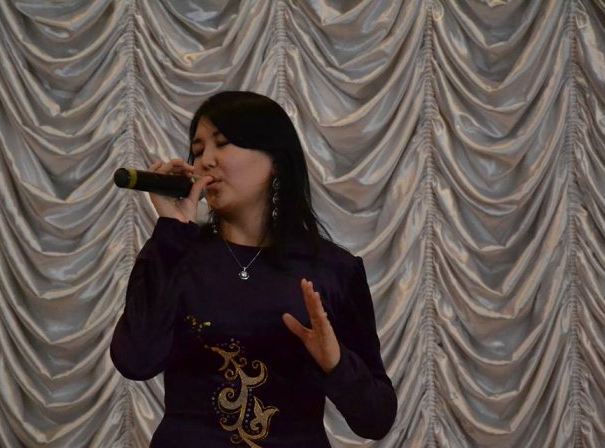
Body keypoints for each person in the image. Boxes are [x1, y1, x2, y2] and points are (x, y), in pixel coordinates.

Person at [110, 91, 397, 447]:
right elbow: (135, 361)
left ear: (274, 160)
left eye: (223, 144)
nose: (206, 161)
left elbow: (376, 419)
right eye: (198, 150)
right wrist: (172, 232)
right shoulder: (176, 254)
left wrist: (336, 363)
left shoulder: (332, 268)